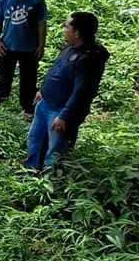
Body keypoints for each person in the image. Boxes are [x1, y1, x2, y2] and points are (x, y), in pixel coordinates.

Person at [24, 12, 110, 172]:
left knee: (55, 151)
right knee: (35, 141)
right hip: (46, 104)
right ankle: (31, 171)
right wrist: (43, 90)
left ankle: (50, 183)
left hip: (61, 111)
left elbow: (82, 92)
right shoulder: (70, 48)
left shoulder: (89, 59)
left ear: (77, 32)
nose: (63, 29)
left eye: (67, 26)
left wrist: (65, 116)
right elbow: (56, 70)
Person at [0, 0, 48, 119]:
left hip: (30, 47)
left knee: (28, 79)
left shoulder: (37, 0)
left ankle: (27, 107)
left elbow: (41, 24)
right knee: (4, 76)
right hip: (8, 45)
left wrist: (41, 45)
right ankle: (1, 101)